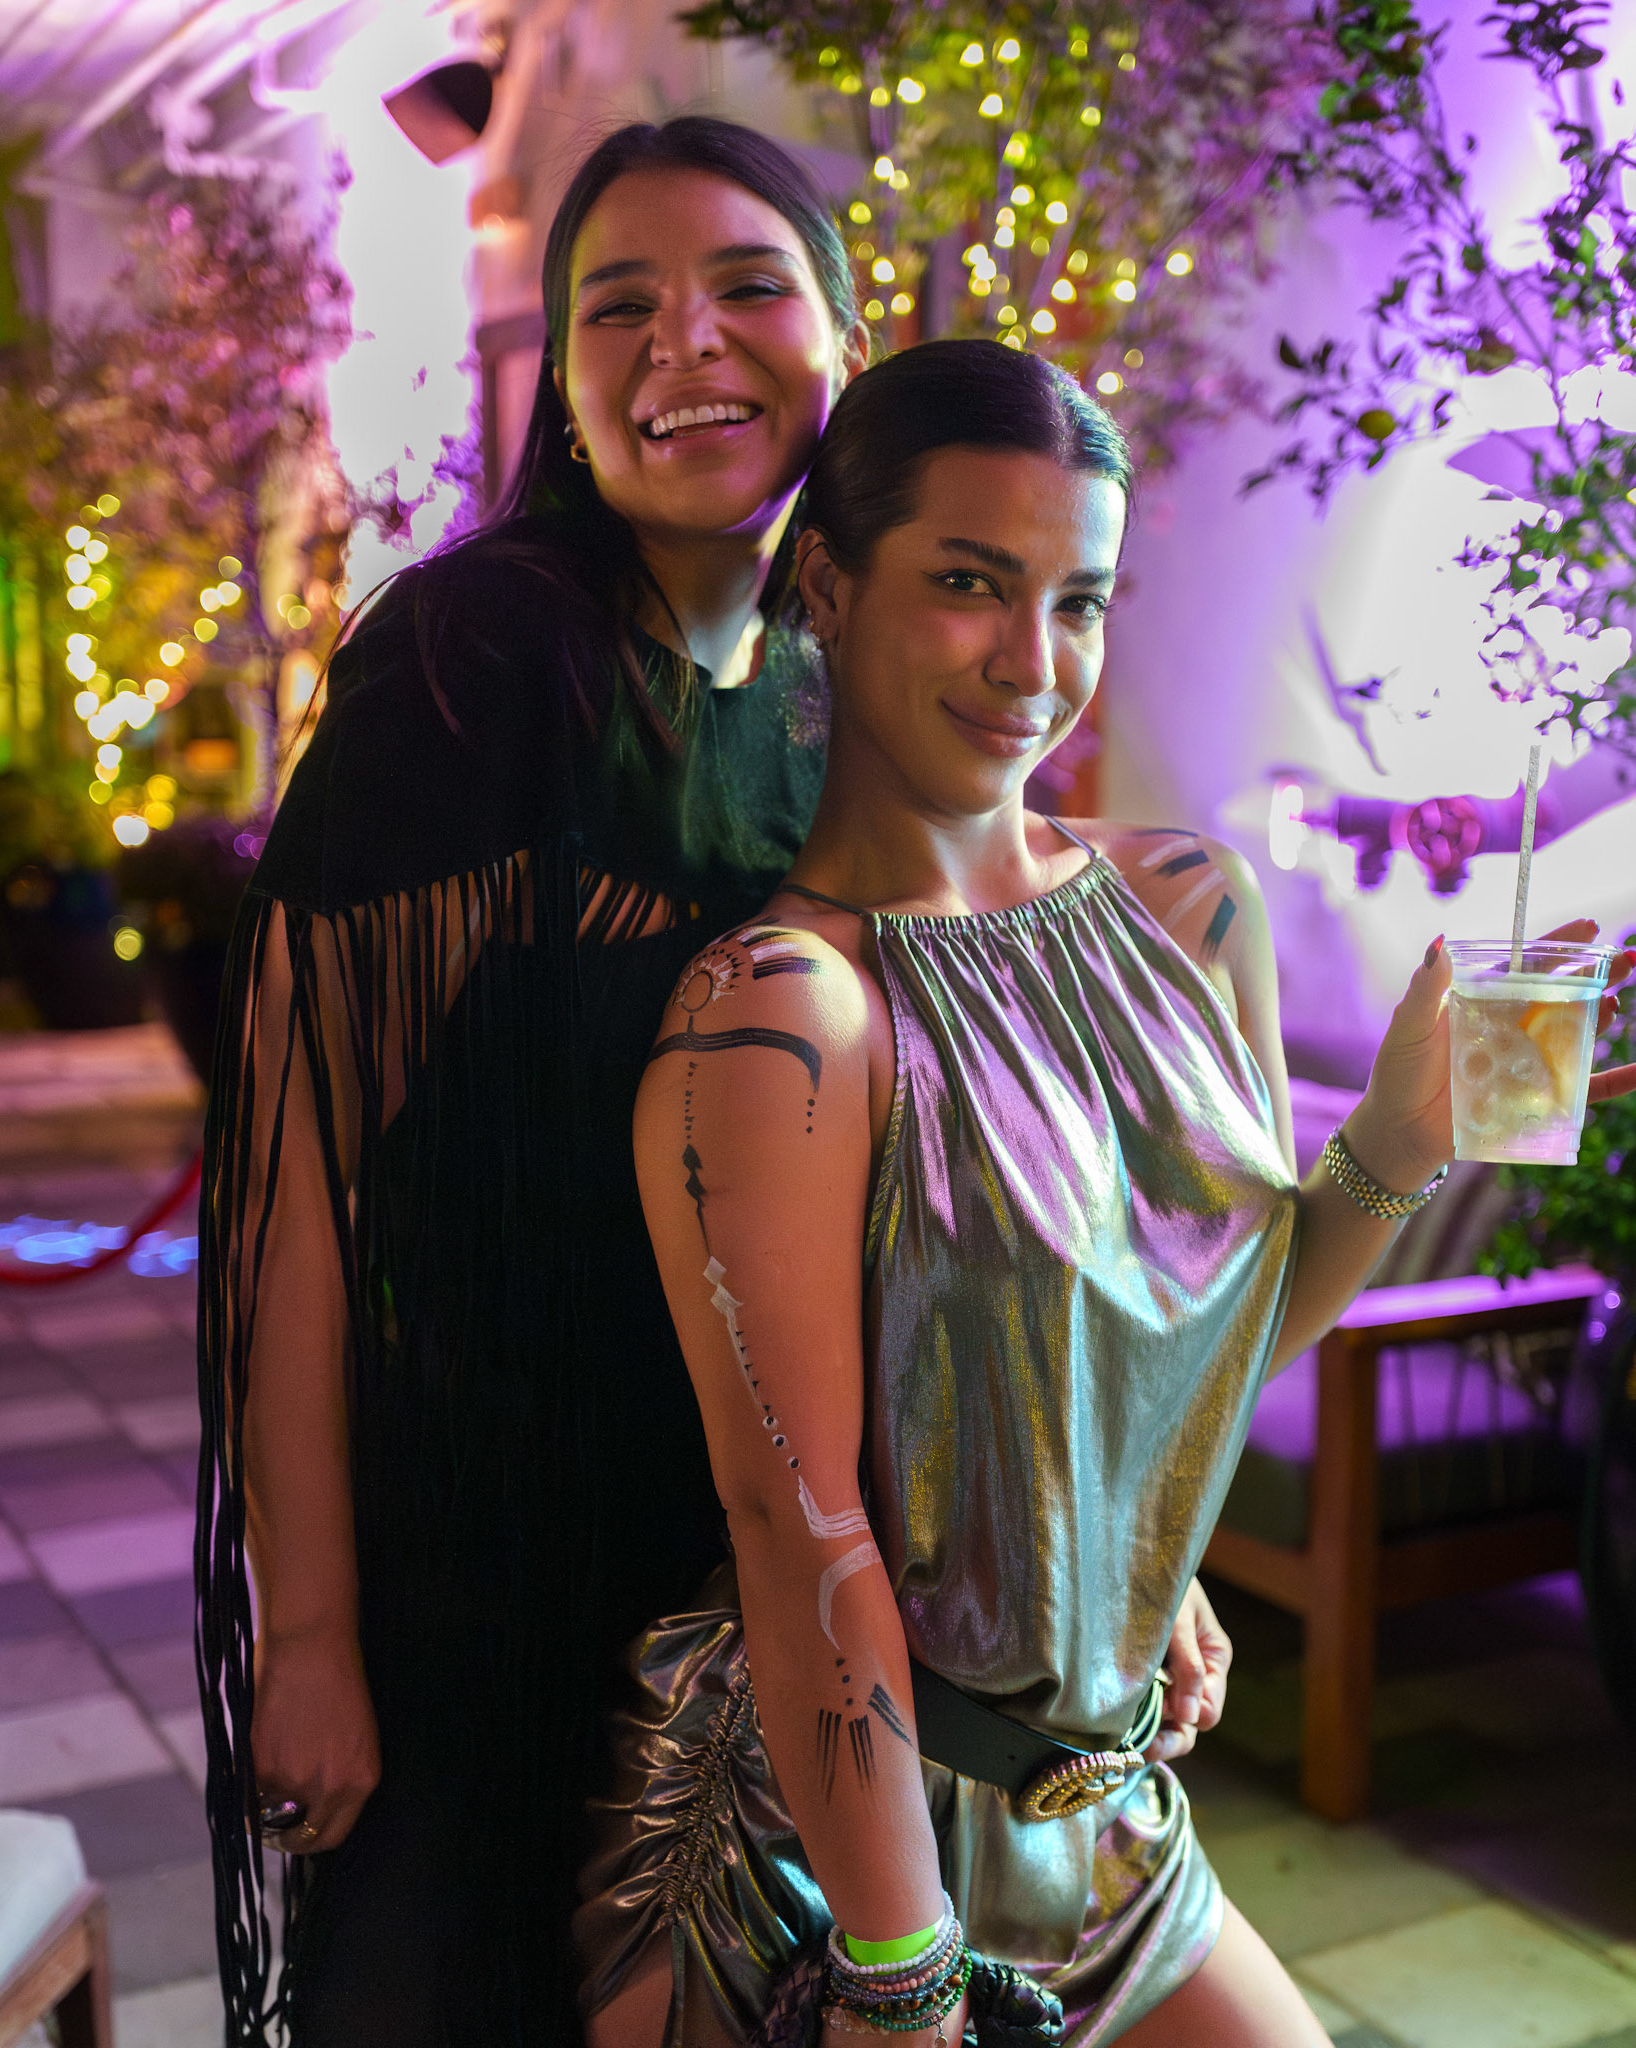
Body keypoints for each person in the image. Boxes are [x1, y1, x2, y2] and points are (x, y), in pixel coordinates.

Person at [599, 339, 1636, 2047]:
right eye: (967, 584)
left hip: (1107, 1823)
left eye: (1075, 600)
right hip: (827, 1856)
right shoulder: (781, 1018)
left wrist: (1402, 1134)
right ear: (828, 588)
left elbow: (1198, 1355)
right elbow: (798, 1527)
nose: (1034, 662)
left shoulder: (1189, 910)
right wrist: (895, 1970)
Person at [195, 116, 870, 2048]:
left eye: (747, 286)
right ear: (563, 385)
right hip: (475, 1563)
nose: (686, 343)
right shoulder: (474, 659)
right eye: (617, 306)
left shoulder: (831, 682)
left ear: (842, 337)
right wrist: (311, 1635)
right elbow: (291, 1176)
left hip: (739, 1552)